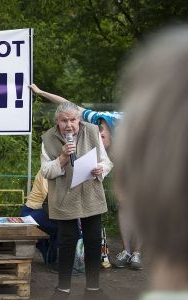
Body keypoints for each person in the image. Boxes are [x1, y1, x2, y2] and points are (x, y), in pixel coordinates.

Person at [30, 83, 143, 270]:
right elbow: (68, 105)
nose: (97, 137)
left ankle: (138, 252)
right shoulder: (97, 120)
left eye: (101, 136)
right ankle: (126, 250)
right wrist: (41, 92)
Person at [114, 25, 188, 300]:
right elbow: (73, 106)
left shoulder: (134, 120)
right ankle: (130, 251)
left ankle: (135, 252)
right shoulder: (115, 117)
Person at [40, 102, 113, 299]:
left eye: (73, 120)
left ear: (79, 119)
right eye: (64, 120)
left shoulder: (92, 131)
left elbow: (106, 161)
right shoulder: (48, 138)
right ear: (57, 121)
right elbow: (46, 171)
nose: (69, 125)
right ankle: (63, 289)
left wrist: (101, 168)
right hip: (64, 197)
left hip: (90, 193)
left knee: (93, 241)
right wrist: (63, 157)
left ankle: (93, 289)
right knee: (67, 242)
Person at [20, 171, 59, 266]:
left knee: (64, 225)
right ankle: (55, 259)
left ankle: (51, 255)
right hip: (31, 212)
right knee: (63, 226)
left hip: (43, 211)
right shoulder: (47, 171)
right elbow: (50, 196)